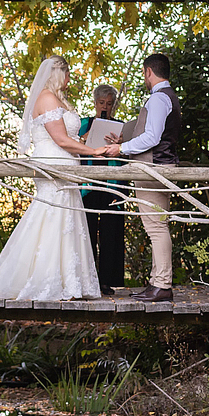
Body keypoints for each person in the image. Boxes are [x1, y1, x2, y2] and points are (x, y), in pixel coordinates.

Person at [0, 56, 103, 301]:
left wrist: (87, 141)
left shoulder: (56, 99)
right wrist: (93, 152)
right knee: (51, 216)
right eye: (67, 75)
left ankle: (68, 280)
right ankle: (46, 278)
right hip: (53, 165)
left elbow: (64, 137)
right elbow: (59, 140)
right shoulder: (47, 98)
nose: (69, 80)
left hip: (64, 165)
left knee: (65, 218)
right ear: (57, 75)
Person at [104, 53, 182, 303]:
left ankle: (162, 285)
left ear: (149, 72)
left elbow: (152, 138)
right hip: (157, 166)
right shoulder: (167, 97)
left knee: (157, 228)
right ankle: (156, 282)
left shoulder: (159, 98)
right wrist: (124, 140)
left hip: (154, 168)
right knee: (155, 227)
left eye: (143, 73)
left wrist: (121, 149)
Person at [80, 84, 126, 295]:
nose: (104, 107)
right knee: (87, 232)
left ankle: (107, 281)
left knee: (110, 234)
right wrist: (85, 137)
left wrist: (121, 145)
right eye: (101, 103)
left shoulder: (121, 127)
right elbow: (74, 149)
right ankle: (86, 280)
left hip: (111, 185)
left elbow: (127, 157)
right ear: (95, 103)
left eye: (109, 104)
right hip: (88, 185)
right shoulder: (83, 123)